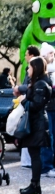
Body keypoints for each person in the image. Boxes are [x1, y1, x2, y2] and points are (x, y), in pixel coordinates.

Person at [19, 57, 52, 194]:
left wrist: (24, 100)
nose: (28, 69)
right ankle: (34, 184)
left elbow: (36, 105)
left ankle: (35, 185)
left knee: (35, 155)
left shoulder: (40, 84)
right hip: (36, 122)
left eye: (30, 67)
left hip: (36, 123)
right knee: (34, 154)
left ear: (36, 68)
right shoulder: (39, 82)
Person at [39, 42, 55, 177]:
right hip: (46, 108)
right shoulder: (41, 70)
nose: (53, 56)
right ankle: (47, 166)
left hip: (52, 107)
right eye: (51, 53)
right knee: (48, 137)